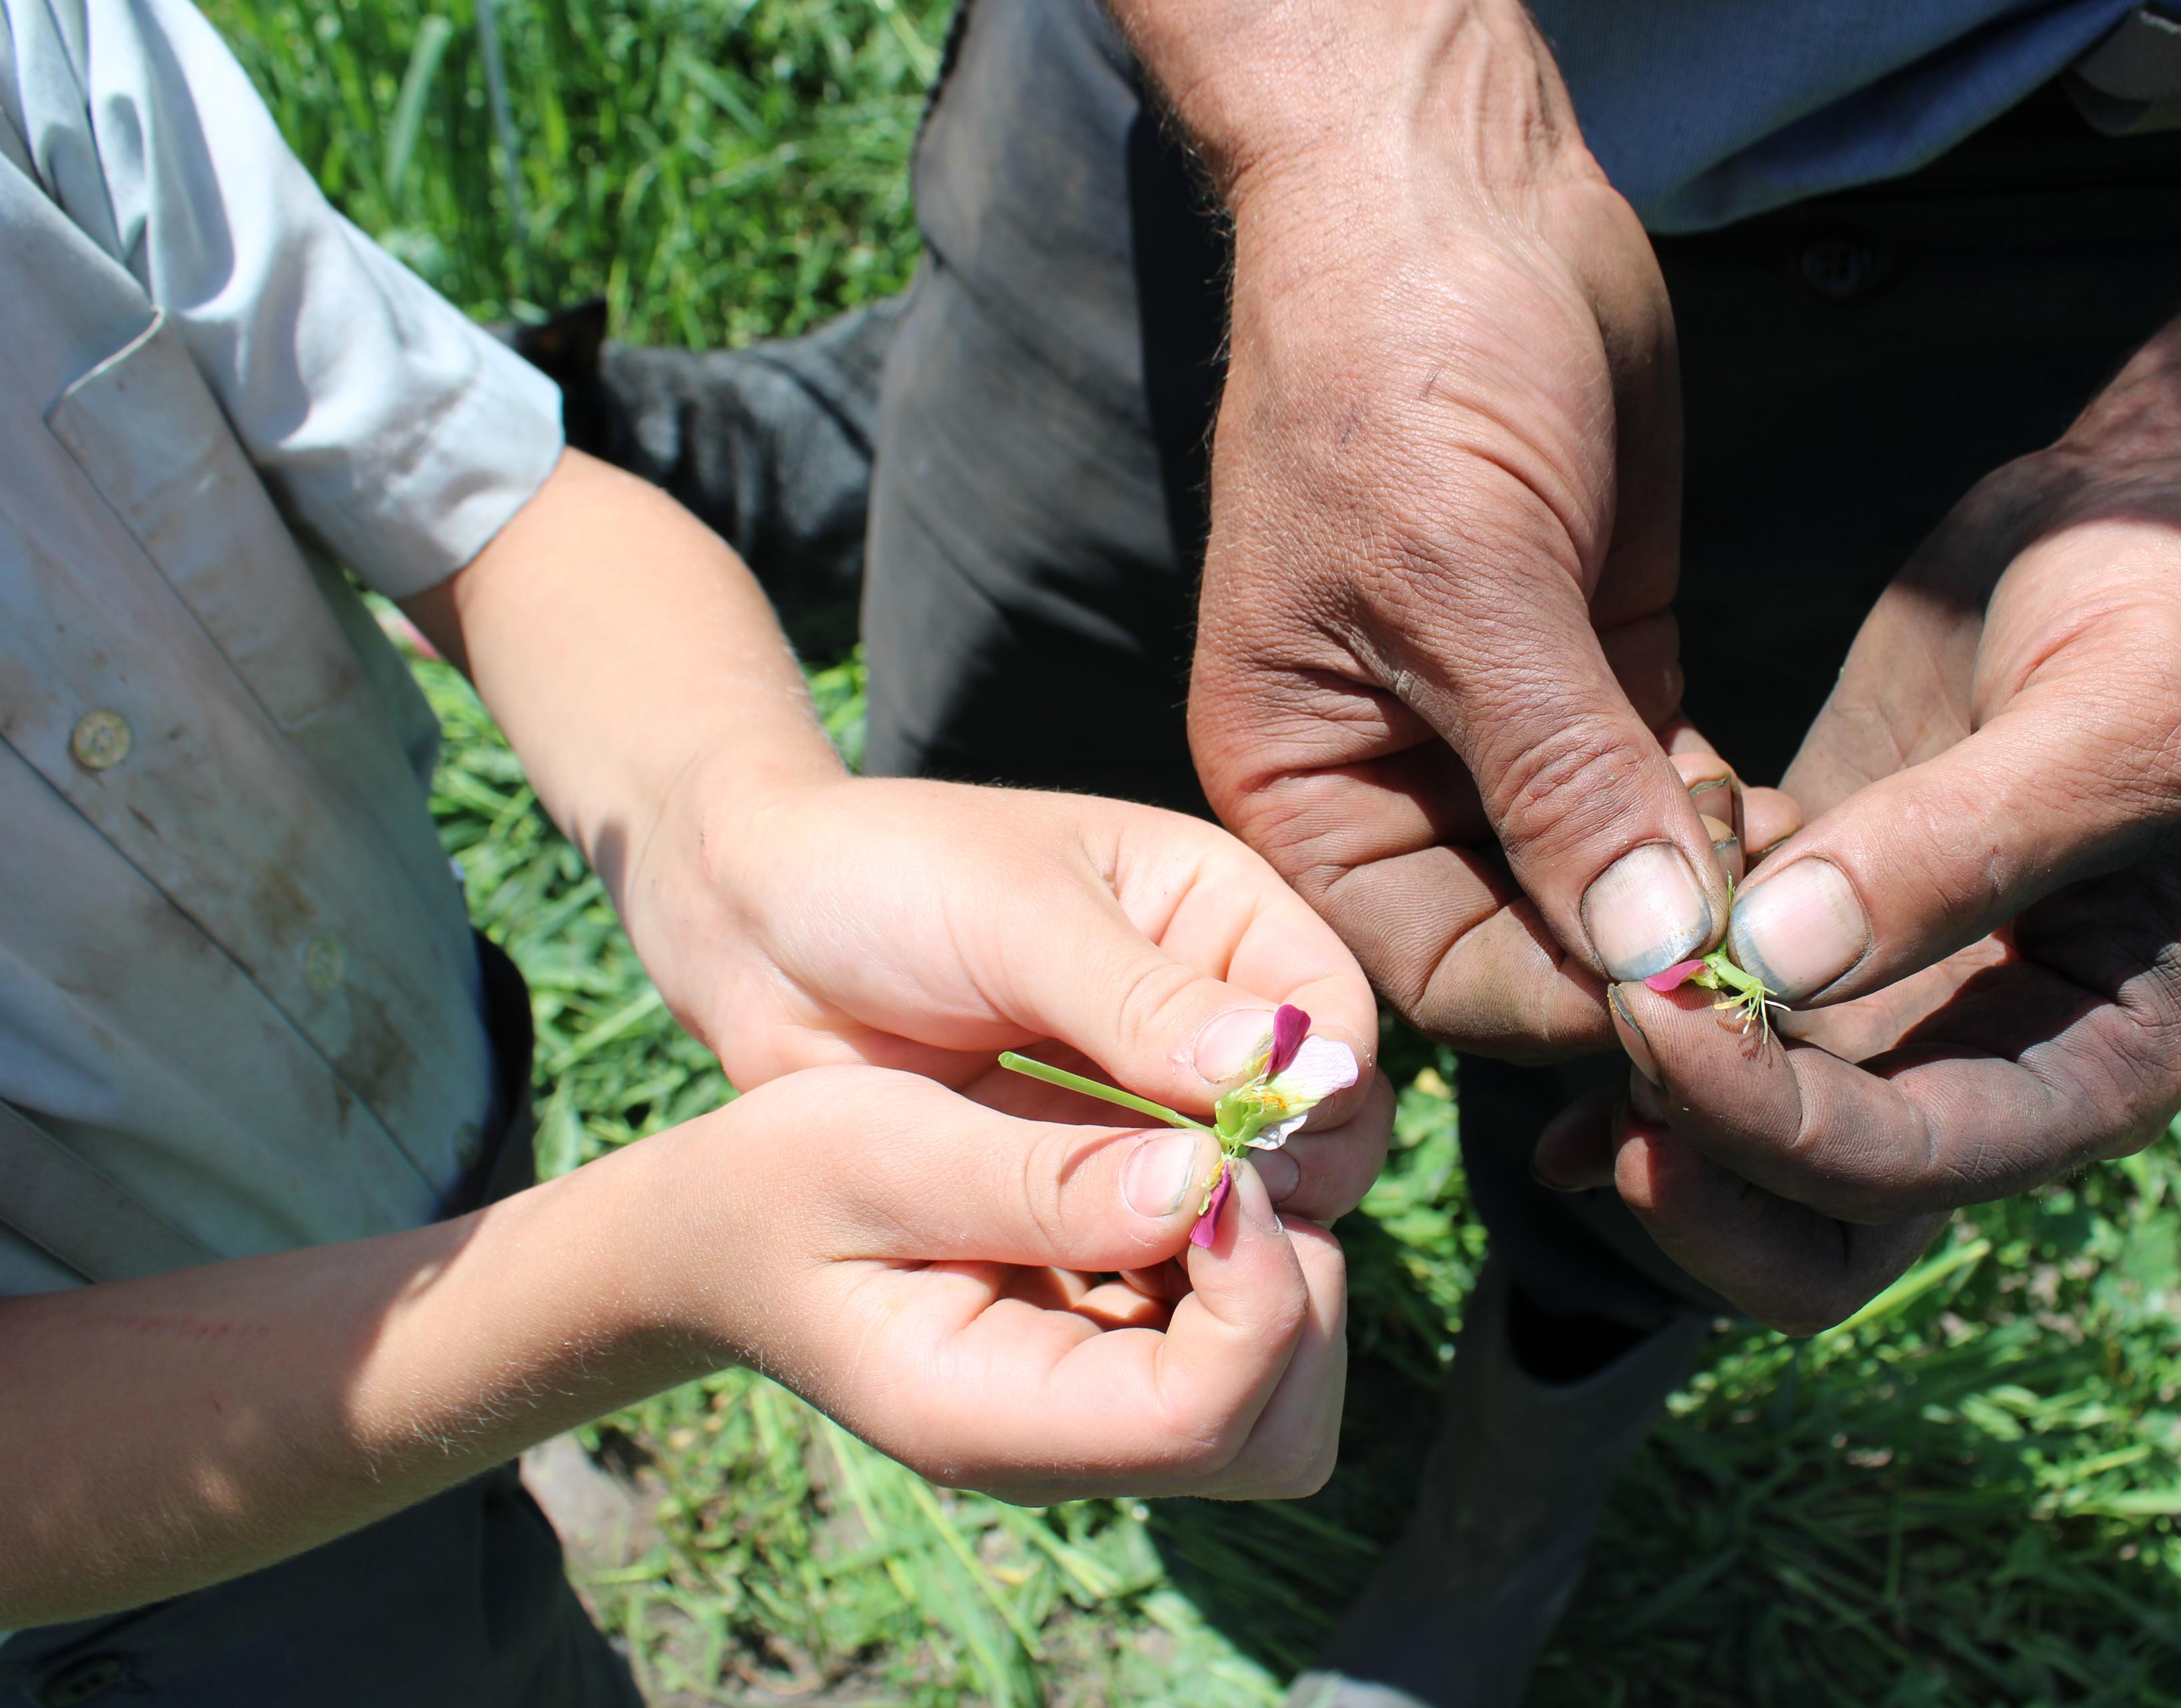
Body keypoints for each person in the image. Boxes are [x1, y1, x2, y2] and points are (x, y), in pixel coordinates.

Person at [531, 0, 2181, 1701]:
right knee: (1029, 781)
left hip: (2178, 231)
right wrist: (1365, 125)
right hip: (1275, 95)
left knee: (1741, 1087)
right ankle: (1056, 1274)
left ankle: (1523, 1481)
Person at [0, 1, 1393, 1702]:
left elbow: (493, 501)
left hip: (433, 1094)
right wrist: (650, 1277)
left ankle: (490, 1482)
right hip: (105, 1577)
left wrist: (754, 841)